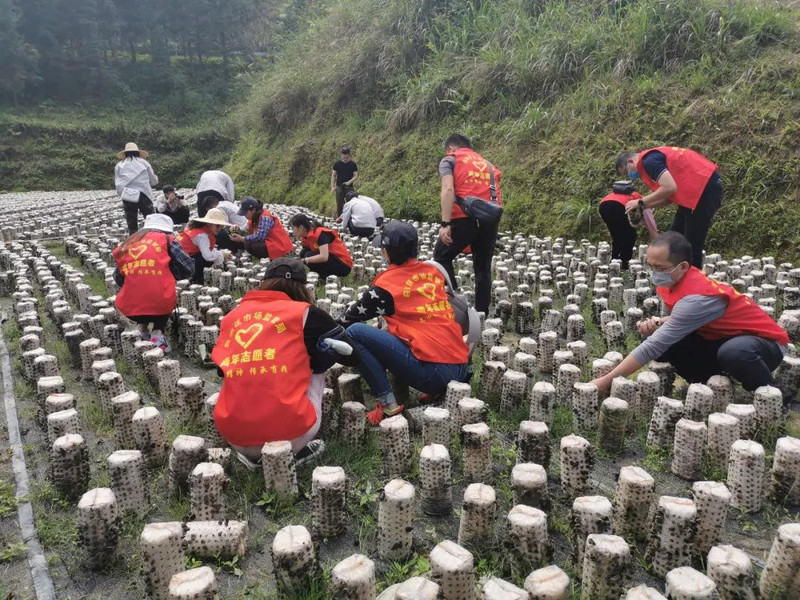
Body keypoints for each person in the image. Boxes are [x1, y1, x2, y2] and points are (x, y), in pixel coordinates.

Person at [590, 232, 790, 399]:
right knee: (655, 335)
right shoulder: (679, 281)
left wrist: (605, 382)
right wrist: (660, 323)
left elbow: (654, 346)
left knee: (733, 352)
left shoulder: (697, 297)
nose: (654, 273)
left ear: (683, 266)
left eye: (660, 268)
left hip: (765, 346)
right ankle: (709, 383)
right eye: (650, 266)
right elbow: (681, 322)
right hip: (722, 338)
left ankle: (772, 392)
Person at [211, 257, 357, 469]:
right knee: (315, 366)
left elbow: (221, 372)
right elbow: (352, 355)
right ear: (302, 287)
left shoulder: (232, 317)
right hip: (290, 435)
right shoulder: (307, 314)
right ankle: (294, 452)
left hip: (234, 436)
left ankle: (251, 455)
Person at [341, 221, 471, 425]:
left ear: (386, 253)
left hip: (436, 373)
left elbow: (347, 321)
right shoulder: (432, 272)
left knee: (356, 332)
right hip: (461, 364)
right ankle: (439, 392)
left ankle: (387, 405)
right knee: (387, 328)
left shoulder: (385, 286)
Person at [616, 146, 722, 268]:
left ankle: (691, 283)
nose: (630, 175)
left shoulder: (649, 162)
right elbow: (668, 197)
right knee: (673, 240)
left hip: (703, 191)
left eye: (626, 171)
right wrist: (644, 206)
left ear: (630, 161)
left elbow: (669, 188)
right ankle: (672, 276)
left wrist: (640, 202)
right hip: (691, 194)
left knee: (691, 245)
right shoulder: (649, 161)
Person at [433, 133, 502, 315]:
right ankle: (482, 314)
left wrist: (445, 223)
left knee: (441, 257)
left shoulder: (450, 160)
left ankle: (458, 305)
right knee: (482, 267)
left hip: (464, 218)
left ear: (450, 149)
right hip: (489, 219)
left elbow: (448, 189)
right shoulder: (488, 164)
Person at [112, 213, 195, 353]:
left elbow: (118, 277)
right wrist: (171, 273)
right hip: (160, 304)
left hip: (129, 306)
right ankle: (157, 335)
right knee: (160, 291)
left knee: (144, 290)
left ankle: (142, 330)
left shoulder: (131, 241)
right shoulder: (167, 239)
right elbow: (188, 267)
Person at [177, 208, 233, 284]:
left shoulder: (200, 229)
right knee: (207, 260)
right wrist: (221, 254)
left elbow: (208, 249)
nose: (219, 229)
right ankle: (196, 278)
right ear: (209, 224)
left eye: (221, 227)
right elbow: (208, 256)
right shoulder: (202, 236)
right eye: (217, 226)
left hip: (181, 257)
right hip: (181, 263)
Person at [290, 213, 353, 279]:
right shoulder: (306, 237)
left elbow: (324, 257)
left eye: (293, 228)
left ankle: (323, 276)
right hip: (332, 260)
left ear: (301, 227)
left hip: (343, 265)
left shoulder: (320, 234)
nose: (293, 232)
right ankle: (319, 274)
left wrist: (305, 260)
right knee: (303, 253)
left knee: (308, 256)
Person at [114, 142, 159, 234]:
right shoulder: (144, 163)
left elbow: (118, 183)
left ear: (125, 153)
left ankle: (133, 241)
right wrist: (154, 181)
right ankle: (153, 237)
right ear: (138, 152)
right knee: (150, 218)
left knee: (131, 221)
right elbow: (154, 181)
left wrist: (121, 193)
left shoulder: (119, 165)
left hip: (127, 194)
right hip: (144, 193)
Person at [599, 181, 642, 270]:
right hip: (619, 207)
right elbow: (642, 215)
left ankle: (615, 259)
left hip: (603, 206)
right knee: (630, 236)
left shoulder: (612, 195)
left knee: (616, 235)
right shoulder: (638, 197)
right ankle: (625, 262)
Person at [331, 147, 358, 216]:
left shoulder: (353, 164)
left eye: (347, 156)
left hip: (349, 186)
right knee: (339, 203)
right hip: (339, 186)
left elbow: (355, 175)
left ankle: (350, 217)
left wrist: (349, 182)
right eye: (344, 155)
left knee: (351, 202)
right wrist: (333, 187)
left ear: (349, 155)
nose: (345, 157)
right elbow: (333, 176)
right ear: (341, 155)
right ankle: (340, 217)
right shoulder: (337, 164)